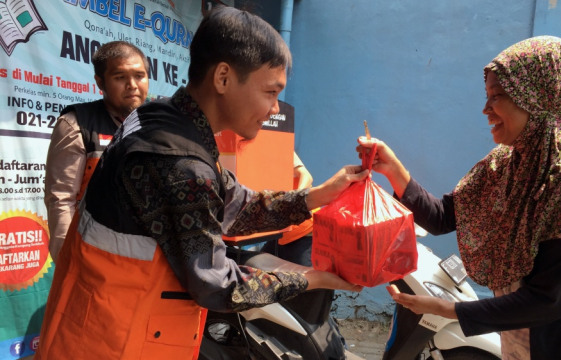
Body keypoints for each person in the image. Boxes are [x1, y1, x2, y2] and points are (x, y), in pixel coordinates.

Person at [35, 6, 367, 360]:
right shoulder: (180, 163)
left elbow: (234, 205)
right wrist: (314, 278)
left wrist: (317, 196)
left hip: (94, 322)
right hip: (115, 342)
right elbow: (219, 287)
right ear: (223, 77)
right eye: (271, 92)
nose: (275, 109)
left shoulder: (160, 118)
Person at [357, 36, 561, 359]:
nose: (485, 109)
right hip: (526, 336)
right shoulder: (506, 164)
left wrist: (447, 309)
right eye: (487, 96)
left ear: (534, 96)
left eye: (497, 96)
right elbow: (445, 216)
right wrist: (393, 168)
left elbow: (549, 299)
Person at [44, 41, 149, 262]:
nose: (132, 85)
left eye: (139, 76)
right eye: (120, 77)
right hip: (92, 258)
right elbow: (61, 200)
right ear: (100, 82)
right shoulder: (76, 124)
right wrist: (68, 260)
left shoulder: (155, 127)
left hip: (143, 262)